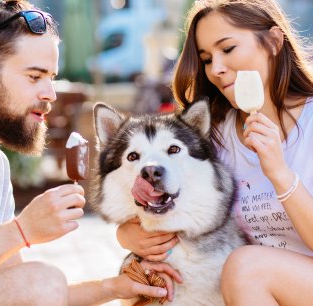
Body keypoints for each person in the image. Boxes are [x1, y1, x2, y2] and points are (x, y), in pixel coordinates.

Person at [0, 0, 181, 305]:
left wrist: (114, 287)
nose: (49, 93)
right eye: (35, 77)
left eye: (51, 77)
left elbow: (25, 296)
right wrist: (21, 230)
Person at [116, 0, 313, 305]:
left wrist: (279, 173)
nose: (217, 69)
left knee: (246, 267)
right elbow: (172, 207)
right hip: (257, 292)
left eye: (228, 49)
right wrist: (128, 236)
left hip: (276, 278)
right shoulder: (216, 139)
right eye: (207, 59)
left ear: (274, 41)